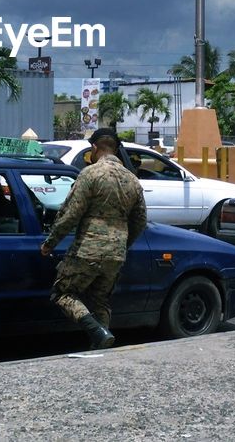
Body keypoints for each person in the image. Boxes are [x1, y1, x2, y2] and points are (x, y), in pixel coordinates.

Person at [40, 127, 147, 350]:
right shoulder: (133, 180)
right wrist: (123, 243)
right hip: (116, 254)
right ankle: (101, 348)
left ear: (95, 148)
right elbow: (140, 222)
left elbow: (70, 214)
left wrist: (50, 244)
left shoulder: (90, 174)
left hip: (87, 250)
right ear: (116, 149)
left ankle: (97, 331)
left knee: (63, 293)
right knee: (100, 301)